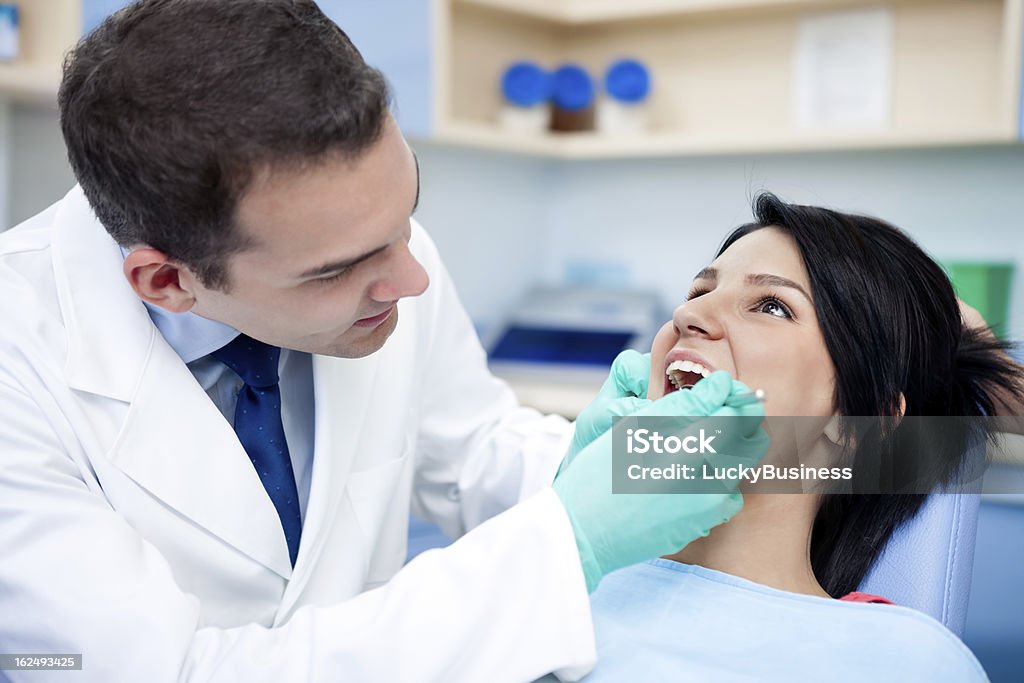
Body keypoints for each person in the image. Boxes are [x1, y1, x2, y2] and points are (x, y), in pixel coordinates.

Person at [0, 2, 769, 681]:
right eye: (340, 269)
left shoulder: (375, 250)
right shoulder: (18, 362)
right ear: (168, 281)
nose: (411, 278)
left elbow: (471, 452)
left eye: (407, 217)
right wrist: (572, 535)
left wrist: (606, 466)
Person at [545, 193, 1024, 681]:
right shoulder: (544, 584)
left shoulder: (899, 660)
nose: (688, 317)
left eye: (772, 306)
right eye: (696, 293)